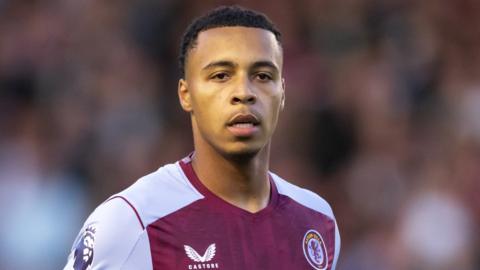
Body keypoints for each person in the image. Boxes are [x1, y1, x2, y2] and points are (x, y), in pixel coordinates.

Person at [64, 5, 340, 270]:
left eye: (262, 75)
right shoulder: (133, 222)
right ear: (186, 95)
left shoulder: (316, 220)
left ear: (282, 92)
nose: (243, 92)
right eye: (221, 75)